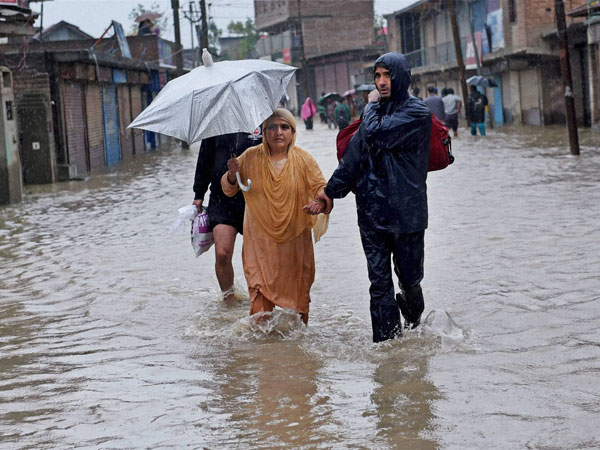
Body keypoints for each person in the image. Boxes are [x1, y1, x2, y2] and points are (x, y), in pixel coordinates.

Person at [309, 52, 431, 342]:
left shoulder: (417, 113)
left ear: (400, 76)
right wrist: (329, 193)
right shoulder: (371, 116)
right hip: (371, 213)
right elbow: (352, 160)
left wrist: (371, 109)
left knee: (410, 280)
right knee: (379, 285)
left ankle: (413, 315)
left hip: (407, 215)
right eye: (377, 76)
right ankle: (387, 350)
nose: (381, 82)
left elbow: (377, 136)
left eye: (387, 75)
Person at [222, 108, 330, 324]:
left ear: (292, 131)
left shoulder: (304, 160)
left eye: (284, 127)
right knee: (259, 303)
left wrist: (320, 202)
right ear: (264, 132)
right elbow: (229, 189)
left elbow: (321, 186)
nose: (278, 132)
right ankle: (264, 352)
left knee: (298, 307)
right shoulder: (250, 157)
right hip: (259, 240)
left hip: (294, 239)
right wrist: (232, 174)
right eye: (272, 127)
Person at [193, 132, 261, 303]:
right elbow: (205, 159)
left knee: (259, 256)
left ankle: (259, 299)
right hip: (221, 198)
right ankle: (228, 300)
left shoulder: (261, 120)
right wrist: (199, 193)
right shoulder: (215, 125)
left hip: (255, 197)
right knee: (222, 253)